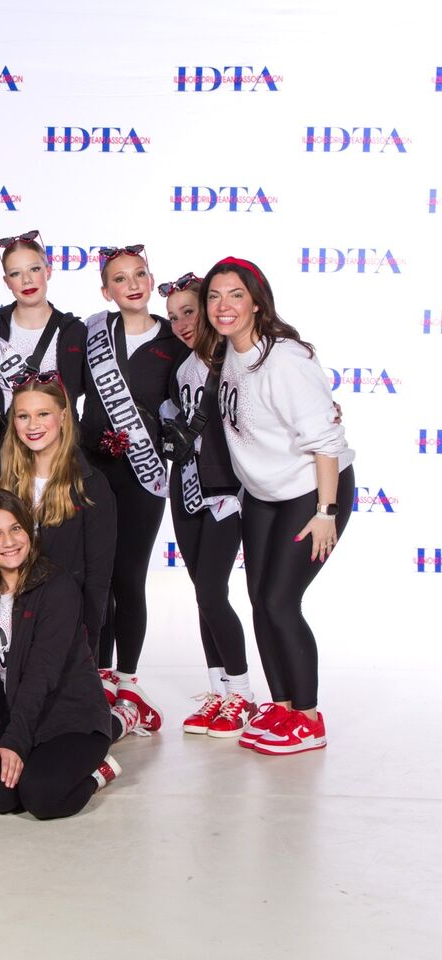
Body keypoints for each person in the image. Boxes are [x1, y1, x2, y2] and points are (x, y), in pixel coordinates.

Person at [202, 256, 355, 755]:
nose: (223, 305)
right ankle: (284, 706)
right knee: (258, 601)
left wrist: (326, 513)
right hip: (265, 495)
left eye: (236, 295)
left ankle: (309, 719)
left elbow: (326, 441)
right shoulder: (227, 352)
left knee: (279, 601)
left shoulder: (284, 359)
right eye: (214, 296)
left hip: (312, 490)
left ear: (257, 302)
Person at [80, 245, 189, 729]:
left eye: (140, 274)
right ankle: (97, 678)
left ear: (150, 279)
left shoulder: (174, 341)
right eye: (120, 279)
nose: (132, 285)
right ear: (107, 291)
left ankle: (126, 680)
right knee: (95, 578)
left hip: (144, 476)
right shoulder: (91, 333)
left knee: (129, 578)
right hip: (92, 471)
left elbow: (187, 406)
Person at [0, 489, 120, 818]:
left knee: (41, 797)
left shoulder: (57, 587)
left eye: (15, 528)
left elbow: (41, 674)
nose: (9, 542)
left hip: (71, 720)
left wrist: (15, 742)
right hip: (21, 716)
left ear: (29, 530)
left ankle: (98, 773)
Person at [159, 272, 253, 737]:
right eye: (173, 317)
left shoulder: (235, 359)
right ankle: (220, 691)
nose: (181, 324)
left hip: (225, 492)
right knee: (203, 593)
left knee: (213, 591)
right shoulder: (181, 369)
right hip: (187, 487)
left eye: (189, 312)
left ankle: (243, 695)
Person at [0, 373, 118, 669]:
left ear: (63, 416)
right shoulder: (2, 477)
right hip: (11, 623)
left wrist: (88, 641)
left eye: (43, 414)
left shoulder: (91, 485)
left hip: (67, 626)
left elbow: (99, 576)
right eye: (23, 416)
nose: (32, 425)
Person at [0, 231, 86, 416]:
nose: (27, 280)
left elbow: (79, 388)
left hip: (61, 433)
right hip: (2, 432)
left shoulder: (75, 331)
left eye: (34, 269)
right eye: (15, 273)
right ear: (7, 281)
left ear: (48, 271)